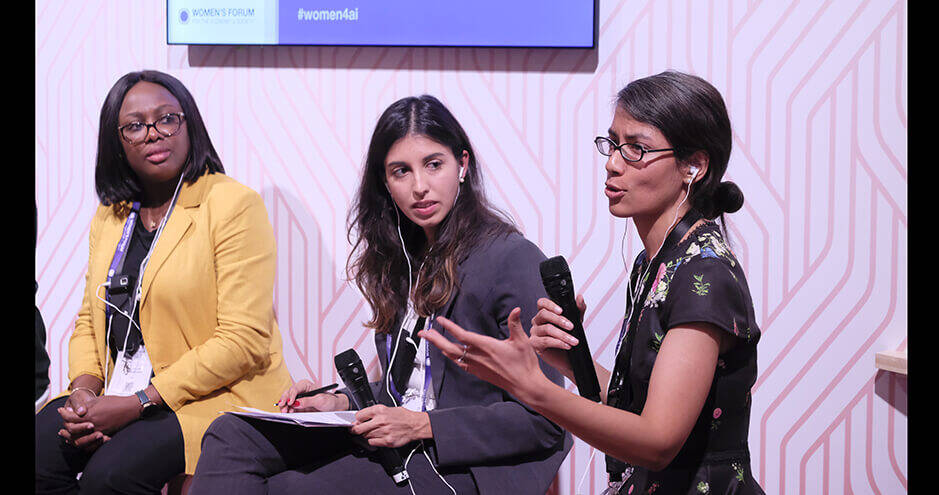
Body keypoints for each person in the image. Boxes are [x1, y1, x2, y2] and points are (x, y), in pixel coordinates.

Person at [189, 95, 571, 494]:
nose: (419, 187)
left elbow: (544, 420)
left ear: (462, 165)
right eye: (400, 172)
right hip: (400, 439)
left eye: (433, 165)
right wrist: (337, 404)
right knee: (230, 434)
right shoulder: (404, 259)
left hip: (463, 461)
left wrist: (422, 425)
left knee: (293, 489)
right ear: (384, 183)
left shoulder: (510, 258)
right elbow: (406, 390)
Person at [421, 71, 766, 494]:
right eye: (613, 143)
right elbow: (635, 407)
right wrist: (571, 358)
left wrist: (533, 389)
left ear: (693, 165)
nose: (612, 162)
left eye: (636, 149)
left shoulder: (705, 273)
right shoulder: (655, 263)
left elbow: (658, 441)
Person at [34, 70, 294, 494]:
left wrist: (137, 404)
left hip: (212, 396)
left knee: (110, 477)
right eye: (135, 126)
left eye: (167, 119)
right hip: (123, 391)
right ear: (116, 141)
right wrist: (83, 392)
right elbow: (89, 319)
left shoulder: (231, 204)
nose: (153, 133)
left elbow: (242, 340)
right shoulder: (112, 214)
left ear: (189, 124)